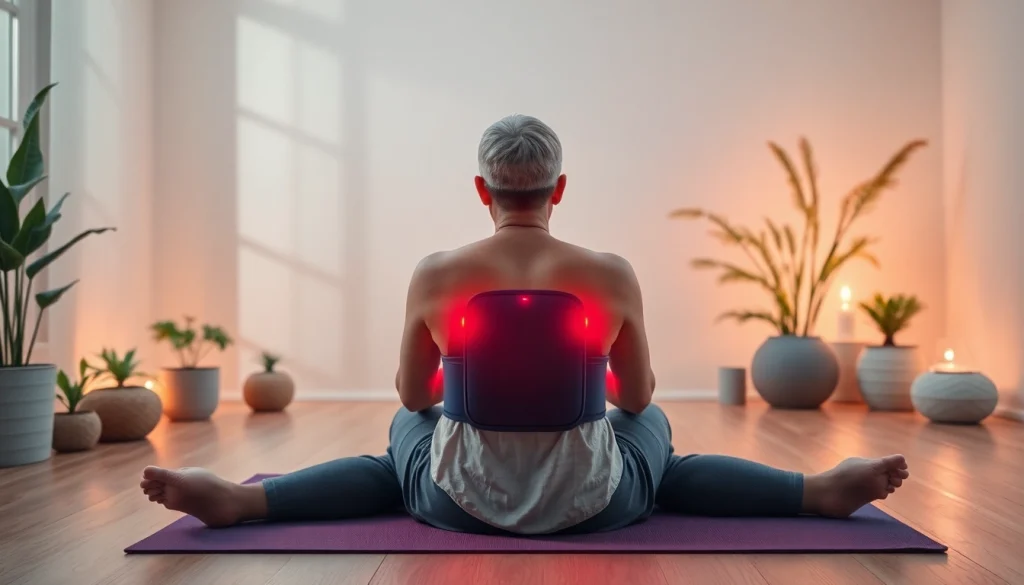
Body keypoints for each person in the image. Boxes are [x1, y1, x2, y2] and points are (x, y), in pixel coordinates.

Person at [139, 114, 909, 534]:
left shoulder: (435, 273)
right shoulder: (610, 273)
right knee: (654, 436)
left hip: (457, 503)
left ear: (481, 190)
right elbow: (637, 398)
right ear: (559, 188)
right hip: (596, 503)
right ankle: (815, 491)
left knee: (403, 438)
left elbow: (413, 397)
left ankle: (246, 502)